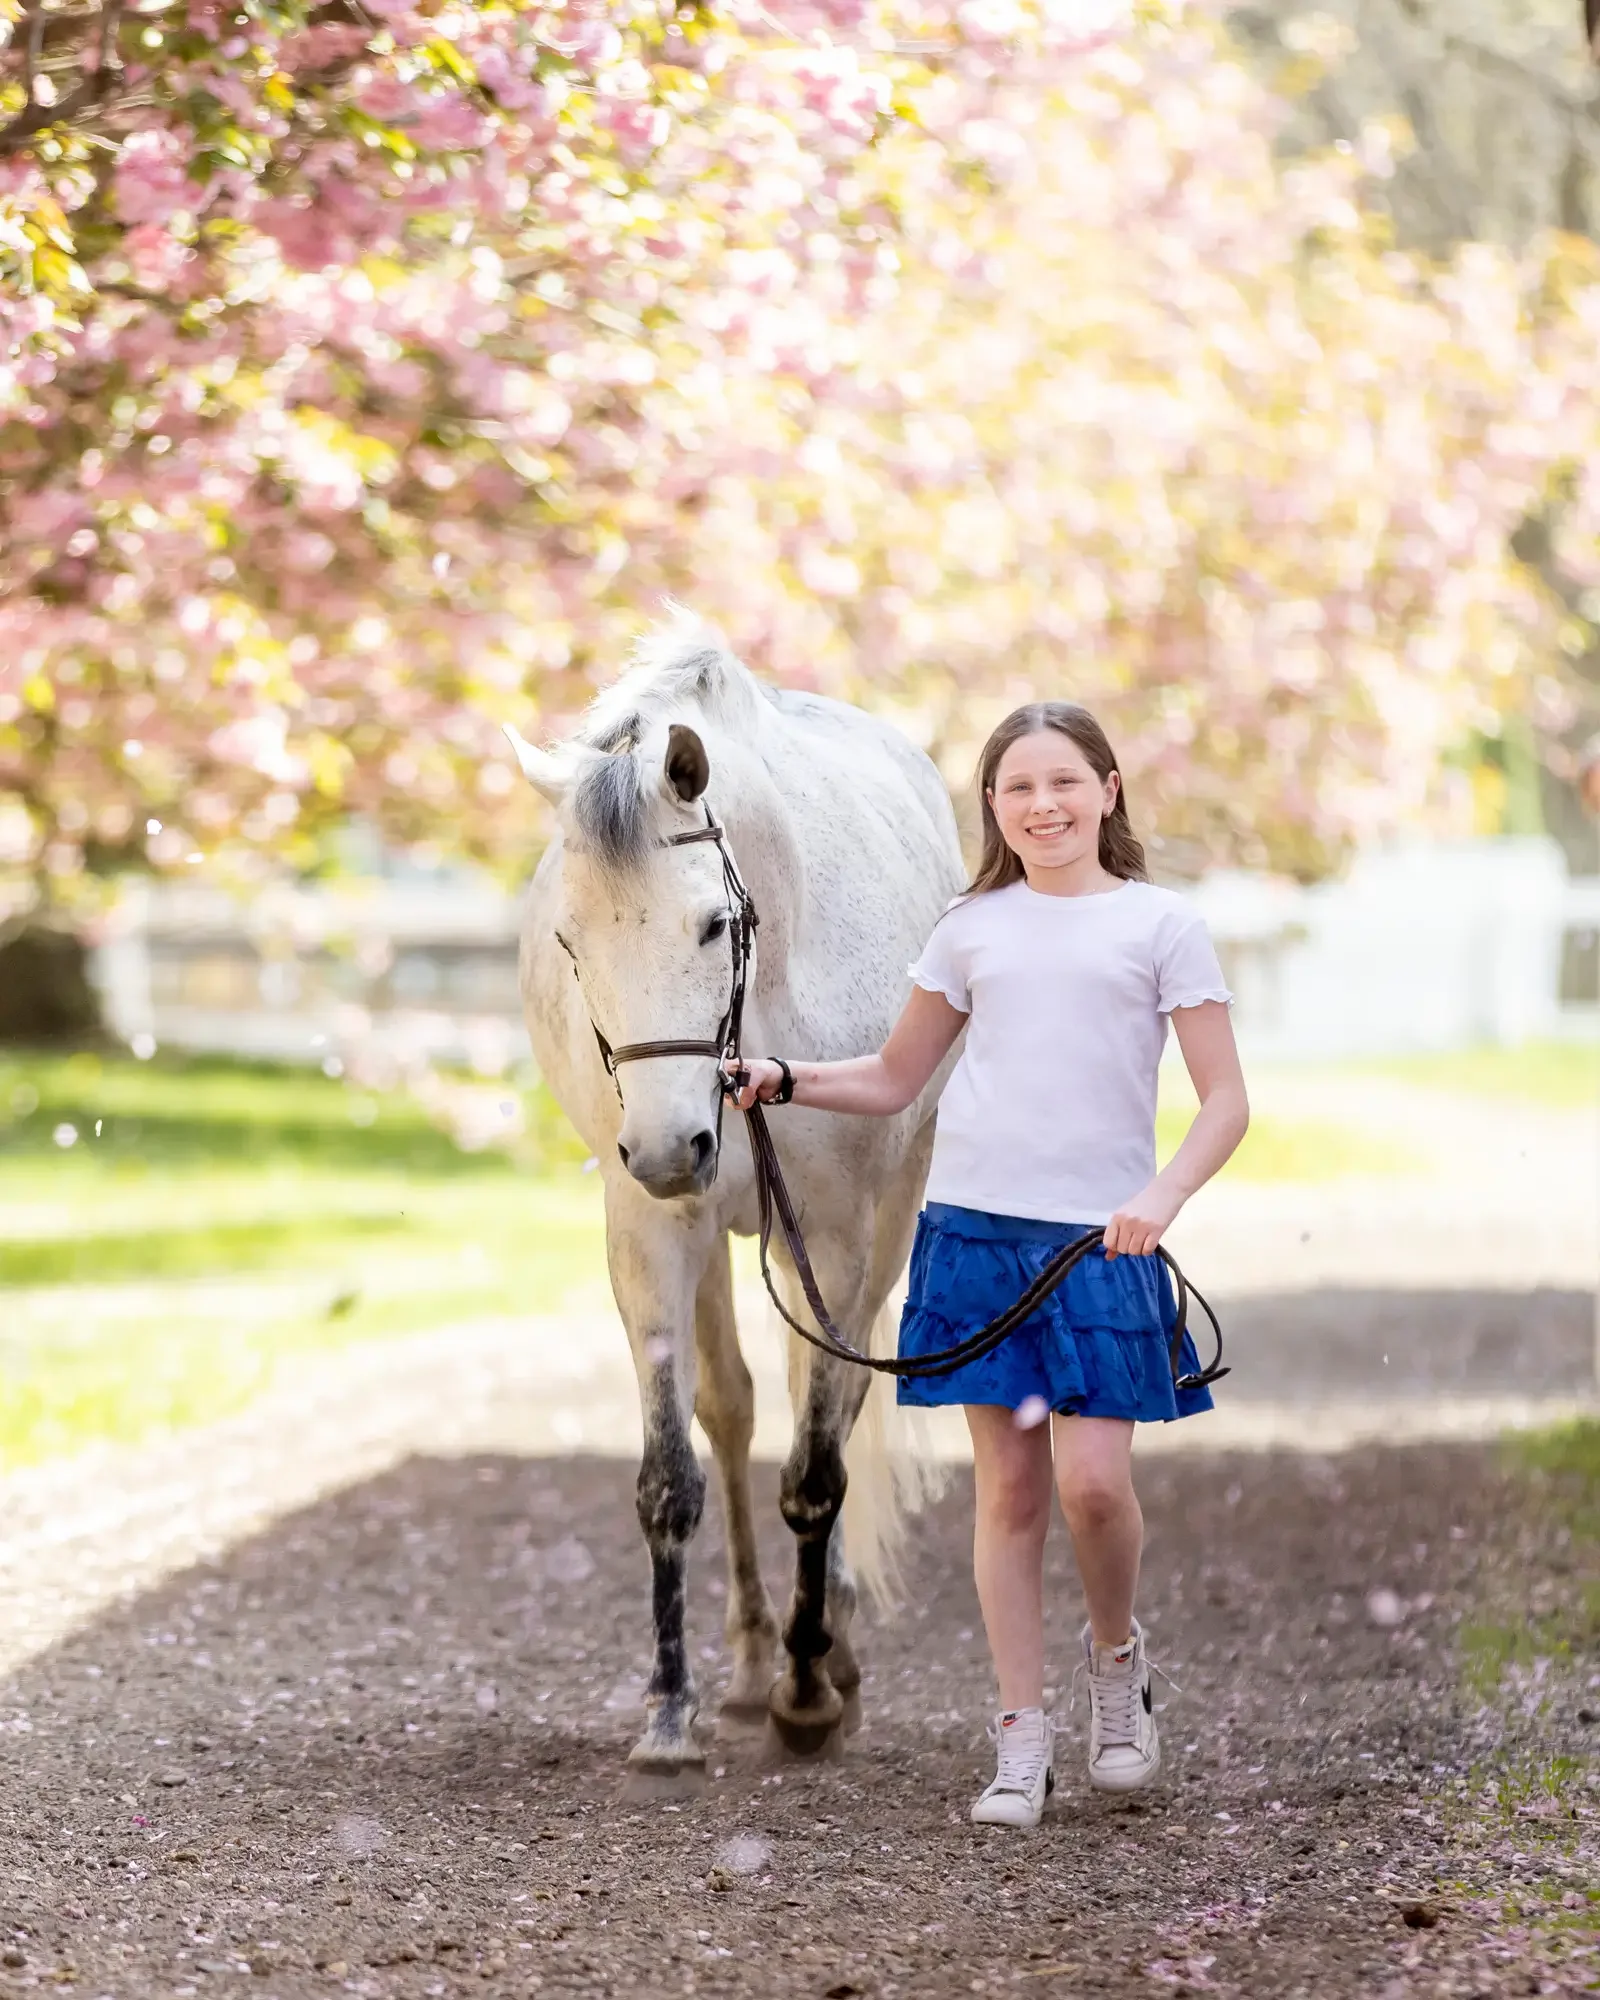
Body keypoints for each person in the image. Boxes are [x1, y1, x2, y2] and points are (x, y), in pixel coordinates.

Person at [726, 701, 1249, 1829]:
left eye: (1064, 782)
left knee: (1095, 1486)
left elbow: (1226, 1102)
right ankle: (1021, 1735)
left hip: (1101, 1246)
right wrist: (782, 1074)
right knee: (1008, 1494)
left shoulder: (1162, 926)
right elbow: (894, 1074)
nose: (1043, 805)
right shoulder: (969, 927)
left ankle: (1118, 1666)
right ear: (993, 808)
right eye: (1018, 788)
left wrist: (1158, 1197)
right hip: (974, 1240)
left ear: (1107, 790)